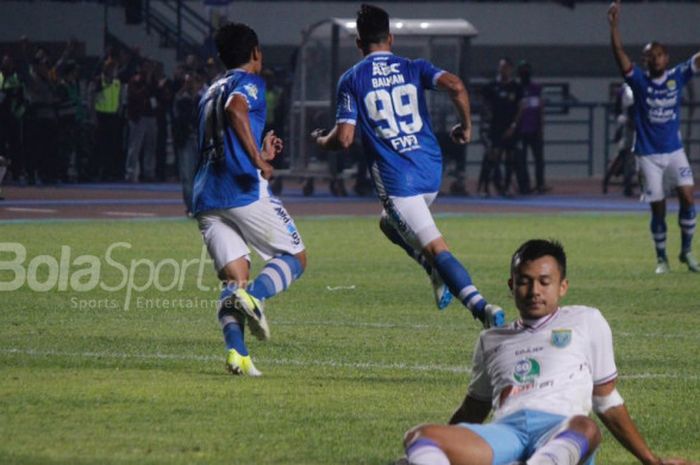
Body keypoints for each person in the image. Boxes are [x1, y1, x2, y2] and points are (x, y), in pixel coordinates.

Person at [400, 239, 697, 465]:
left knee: (586, 426)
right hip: (507, 432)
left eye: (544, 282)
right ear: (511, 285)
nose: (534, 291)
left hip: (563, 430)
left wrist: (651, 460)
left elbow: (606, 399)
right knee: (421, 437)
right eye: (524, 281)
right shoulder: (491, 339)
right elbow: (472, 411)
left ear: (562, 286)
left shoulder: (587, 320)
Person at [312, 4, 504, 328]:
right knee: (388, 224)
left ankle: (482, 308)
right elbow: (456, 85)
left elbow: (343, 139)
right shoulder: (414, 66)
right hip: (430, 169)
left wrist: (320, 141)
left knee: (435, 246)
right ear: (391, 37)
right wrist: (467, 127)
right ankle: (432, 270)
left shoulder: (352, 79)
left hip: (398, 179)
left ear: (359, 43)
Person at [193, 23, 307, 376]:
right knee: (295, 257)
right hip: (241, 188)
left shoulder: (208, 90)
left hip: (207, 196)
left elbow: (221, 135)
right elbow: (236, 109)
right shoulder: (250, 83)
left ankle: (237, 354)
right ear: (256, 52)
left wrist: (258, 149)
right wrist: (258, 161)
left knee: (234, 282)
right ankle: (257, 296)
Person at [608, 0, 699, 274]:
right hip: (647, 154)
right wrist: (614, 27)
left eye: (659, 54)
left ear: (666, 58)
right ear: (645, 60)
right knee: (658, 208)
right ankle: (662, 258)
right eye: (650, 55)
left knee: (687, 196)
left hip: (674, 150)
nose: (654, 58)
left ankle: (686, 251)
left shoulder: (678, 75)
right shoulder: (638, 80)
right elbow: (619, 53)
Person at [482, 58, 522, 197]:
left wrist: (514, 125)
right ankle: (487, 186)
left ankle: (506, 186)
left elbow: (520, 107)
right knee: (493, 156)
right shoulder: (492, 86)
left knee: (510, 158)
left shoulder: (516, 87)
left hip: (510, 127)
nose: (502, 70)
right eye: (501, 67)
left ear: (510, 69)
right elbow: (485, 104)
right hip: (495, 126)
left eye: (505, 67)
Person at [507, 60, 548, 195]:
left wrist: (541, 127)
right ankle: (524, 186)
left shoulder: (536, 88)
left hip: (534, 129)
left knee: (539, 159)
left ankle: (540, 184)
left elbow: (540, 109)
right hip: (520, 130)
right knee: (521, 160)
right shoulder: (516, 89)